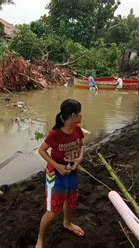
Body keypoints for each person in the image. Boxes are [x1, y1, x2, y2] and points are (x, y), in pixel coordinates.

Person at [36, 99, 85, 248]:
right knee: (52, 211)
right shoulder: (55, 134)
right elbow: (41, 150)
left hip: (72, 171)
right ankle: (40, 239)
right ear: (72, 115)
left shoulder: (77, 129)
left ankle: (67, 223)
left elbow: (82, 145)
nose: (82, 115)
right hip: (56, 174)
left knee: (70, 202)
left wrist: (80, 158)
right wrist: (57, 166)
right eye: (79, 113)